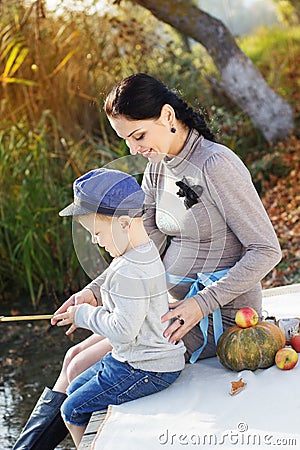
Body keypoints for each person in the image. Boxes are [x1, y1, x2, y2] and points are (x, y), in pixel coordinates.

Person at [54, 168, 186, 447]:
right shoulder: (142, 249)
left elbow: (124, 330)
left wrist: (84, 315)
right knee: (75, 387)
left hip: (148, 368)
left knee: (72, 409)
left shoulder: (128, 271)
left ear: (125, 224)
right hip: (136, 357)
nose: (94, 240)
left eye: (98, 232)